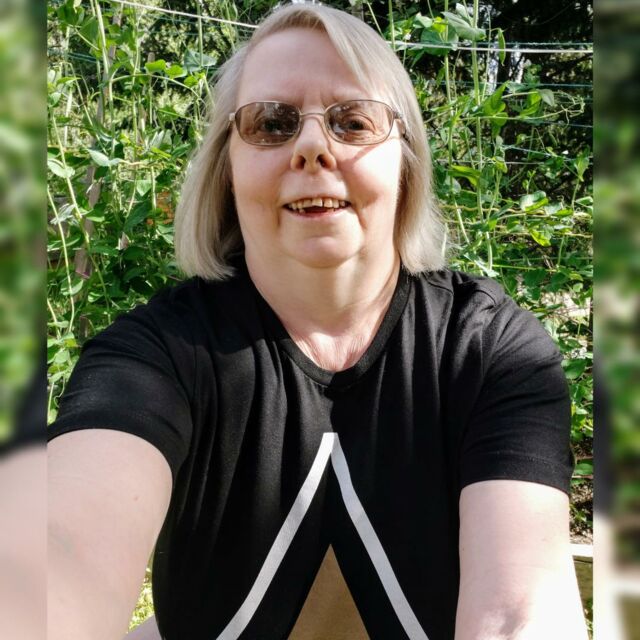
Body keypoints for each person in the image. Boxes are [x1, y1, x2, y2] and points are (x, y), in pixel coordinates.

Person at [48, 3, 588, 639]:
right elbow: (60, 563)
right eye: (271, 123)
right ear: (227, 168)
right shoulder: (153, 358)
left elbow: (520, 615)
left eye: (353, 122)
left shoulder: (489, 349)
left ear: (406, 161)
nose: (311, 146)